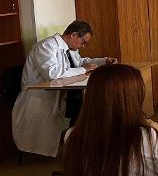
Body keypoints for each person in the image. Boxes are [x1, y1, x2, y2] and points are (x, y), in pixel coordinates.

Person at [12, 20, 117, 157]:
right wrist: (83, 69)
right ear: (74, 35)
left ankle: (79, 144)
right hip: (40, 97)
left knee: (90, 104)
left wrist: (103, 61)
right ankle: (74, 146)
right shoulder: (45, 46)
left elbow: (80, 63)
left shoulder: (70, 48)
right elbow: (52, 73)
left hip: (61, 93)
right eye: (83, 42)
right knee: (84, 107)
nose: (83, 46)